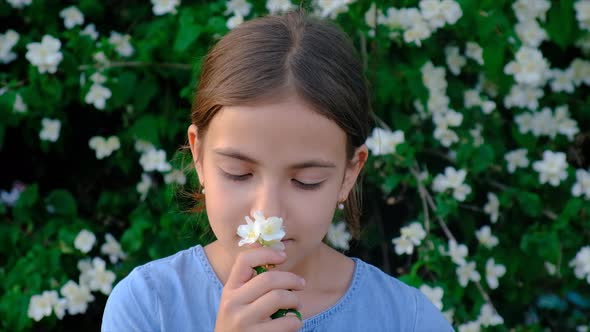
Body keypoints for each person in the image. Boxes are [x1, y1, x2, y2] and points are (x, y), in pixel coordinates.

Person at [102, 9, 454, 332]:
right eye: (238, 173)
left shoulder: (408, 320)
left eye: (306, 182)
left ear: (349, 174)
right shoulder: (149, 306)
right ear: (198, 156)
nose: (267, 213)